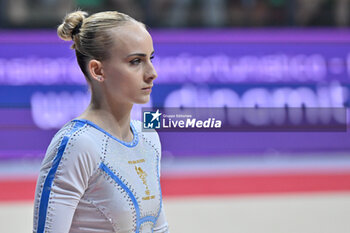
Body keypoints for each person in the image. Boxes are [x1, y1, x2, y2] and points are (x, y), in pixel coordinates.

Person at [32, 10, 169, 233]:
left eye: (150, 58)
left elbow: (159, 228)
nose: (152, 73)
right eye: (136, 61)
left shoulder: (149, 138)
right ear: (97, 70)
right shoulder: (77, 144)